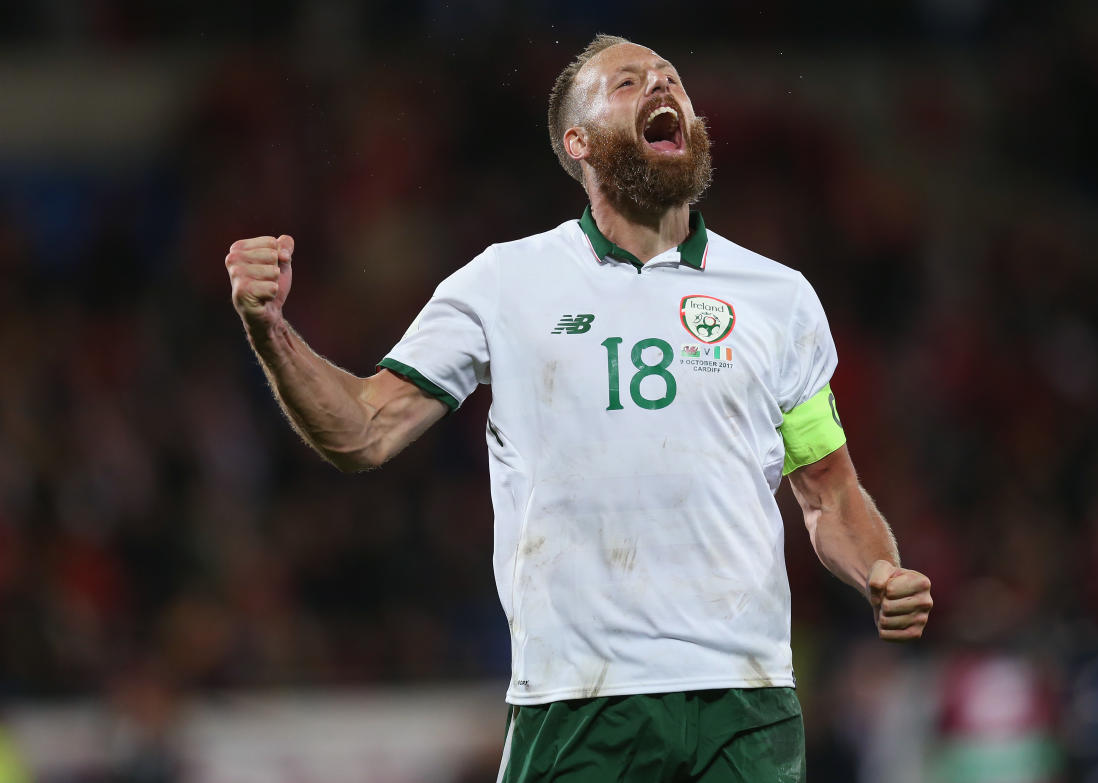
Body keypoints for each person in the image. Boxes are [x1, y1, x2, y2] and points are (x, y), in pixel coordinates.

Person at [224, 34, 933, 783]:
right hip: (580, 699)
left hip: (745, 702)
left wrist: (878, 568)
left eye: (672, 80)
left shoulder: (778, 298)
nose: (662, 86)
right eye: (628, 83)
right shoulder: (505, 283)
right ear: (579, 140)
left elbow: (828, 490)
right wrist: (270, 330)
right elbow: (363, 429)